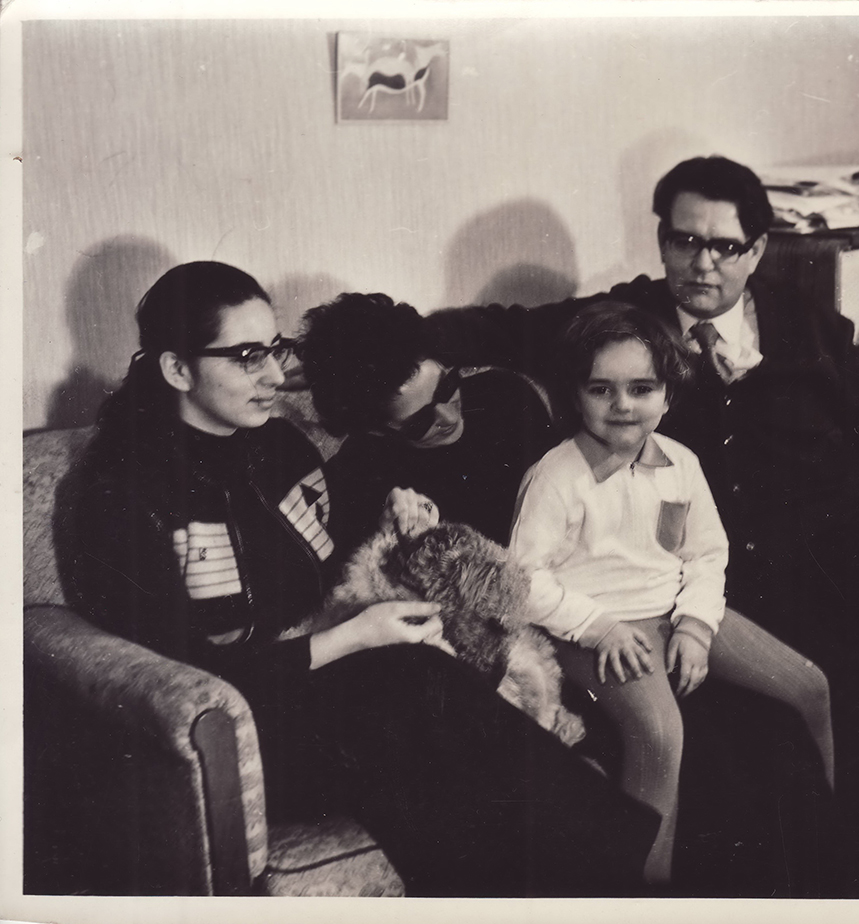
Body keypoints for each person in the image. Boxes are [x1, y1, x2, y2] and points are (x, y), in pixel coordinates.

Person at [426, 156, 859, 895]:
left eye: (725, 246)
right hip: (738, 581)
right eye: (685, 241)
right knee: (838, 713)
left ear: (757, 250)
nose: (703, 263)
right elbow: (498, 329)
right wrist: (386, 343)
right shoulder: (626, 326)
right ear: (663, 242)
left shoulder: (800, 319)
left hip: (837, 546)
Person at [65, 261, 660, 898]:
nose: (276, 377)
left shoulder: (280, 447)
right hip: (244, 730)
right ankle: (627, 880)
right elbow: (170, 678)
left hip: (341, 690)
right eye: (246, 357)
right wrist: (354, 637)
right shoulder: (122, 496)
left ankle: (588, 881)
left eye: (274, 349)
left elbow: (335, 567)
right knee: (417, 692)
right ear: (177, 369)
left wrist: (390, 521)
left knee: (439, 725)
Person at [508, 301, 834, 886]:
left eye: (642, 388)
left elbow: (706, 554)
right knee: (659, 735)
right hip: (593, 629)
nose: (623, 405)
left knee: (810, 685)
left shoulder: (682, 463)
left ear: (667, 395)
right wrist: (600, 627)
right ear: (575, 396)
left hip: (674, 611)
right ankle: (646, 890)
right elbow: (524, 581)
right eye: (601, 389)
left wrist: (697, 626)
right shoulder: (555, 476)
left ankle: (827, 839)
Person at [297, 291, 558, 551]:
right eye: (420, 422)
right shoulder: (357, 476)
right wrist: (383, 537)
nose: (449, 416)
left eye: (447, 386)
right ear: (376, 431)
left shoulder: (506, 396)